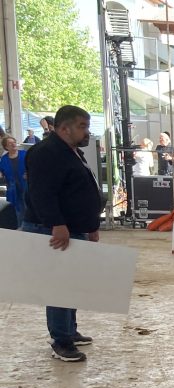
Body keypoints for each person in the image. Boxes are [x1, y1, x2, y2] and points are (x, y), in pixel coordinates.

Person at [21, 105, 102, 363]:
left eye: (87, 126)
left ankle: (70, 329)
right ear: (63, 128)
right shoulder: (46, 153)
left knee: (71, 283)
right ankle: (61, 340)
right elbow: (42, 193)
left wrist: (91, 225)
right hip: (54, 230)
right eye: (82, 126)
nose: (87, 131)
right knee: (59, 285)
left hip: (74, 228)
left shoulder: (72, 151)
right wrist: (56, 223)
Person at [0, 135, 30, 229]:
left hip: (27, 185)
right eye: (10, 143)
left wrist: (29, 173)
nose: (13, 144)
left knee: (28, 206)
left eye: (14, 142)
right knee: (17, 209)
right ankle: (20, 228)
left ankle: (29, 226)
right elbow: (2, 174)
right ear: (6, 147)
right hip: (13, 188)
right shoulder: (4, 159)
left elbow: (34, 166)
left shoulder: (25, 154)